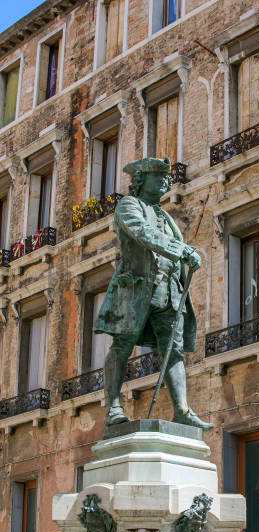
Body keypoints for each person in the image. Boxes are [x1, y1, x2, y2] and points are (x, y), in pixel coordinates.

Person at [94, 157, 213, 430]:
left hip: (169, 290)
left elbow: (171, 244)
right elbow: (142, 232)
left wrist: (187, 258)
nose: (164, 181)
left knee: (174, 351)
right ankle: (113, 407)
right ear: (140, 180)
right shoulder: (128, 206)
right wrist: (180, 250)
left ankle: (182, 409)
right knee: (123, 345)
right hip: (136, 289)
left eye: (166, 177)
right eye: (157, 176)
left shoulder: (165, 216)